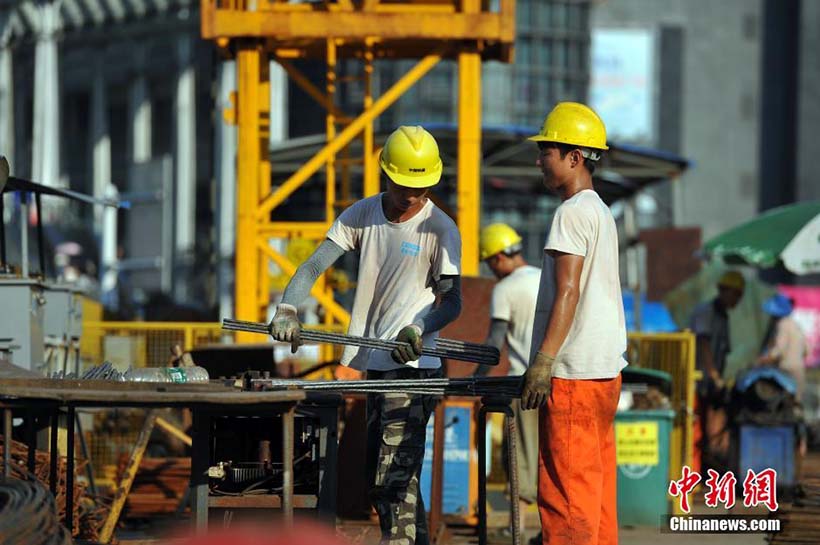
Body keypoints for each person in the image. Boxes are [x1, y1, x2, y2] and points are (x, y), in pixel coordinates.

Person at [269, 125, 462, 545]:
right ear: (385, 174)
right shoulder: (361, 214)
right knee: (394, 475)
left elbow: (452, 302)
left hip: (415, 367)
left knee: (392, 478)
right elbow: (312, 267)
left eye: (420, 188)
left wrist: (419, 327)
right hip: (376, 366)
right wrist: (287, 306)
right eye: (402, 185)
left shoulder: (440, 229)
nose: (410, 196)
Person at [520, 102, 626, 545]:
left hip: (573, 375)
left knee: (565, 495)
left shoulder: (572, 212)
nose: (540, 160)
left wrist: (543, 361)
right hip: (603, 372)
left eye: (547, 150)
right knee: (595, 490)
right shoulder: (599, 210)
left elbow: (568, 290)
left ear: (574, 157)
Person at [476, 223, 541, 535]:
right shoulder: (546, 278)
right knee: (550, 454)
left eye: (490, 263)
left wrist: (476, 380)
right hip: (558, 381)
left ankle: (519, 528)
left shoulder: (505, 289)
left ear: (499, 257)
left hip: (523, 385)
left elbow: (494, 345)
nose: (492, 271)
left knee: (520, 457)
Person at [689, 270, 745, 472]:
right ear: (723, 290)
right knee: (696, 427)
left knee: (710, 423)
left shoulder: (723, 317)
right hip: (696, 379)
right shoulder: (706, 312)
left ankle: (706, 465)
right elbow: (703, 343)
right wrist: (713, 374)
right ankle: (695, 470)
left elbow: (723, 351)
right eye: (736, 294)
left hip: (710, 380)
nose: (738, 300)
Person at [757, 293, 808, 397]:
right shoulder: (796, 325)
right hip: (798, 369)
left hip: (786, 370)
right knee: (796, 404)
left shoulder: (782, 325)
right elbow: (806, 350)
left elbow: (780, 349)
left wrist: (766, 359)